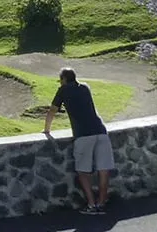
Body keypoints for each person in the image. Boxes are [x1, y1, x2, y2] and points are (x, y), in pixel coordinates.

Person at [44, 67, 114, 214]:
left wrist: (47, 130)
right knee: (103, 170)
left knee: (83, 171)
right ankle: (101, 203)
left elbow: (52, 111)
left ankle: (91, 204)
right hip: (101, 131)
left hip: (83, 135)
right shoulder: (85, 87)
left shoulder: (63, 90)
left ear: (63, 79)